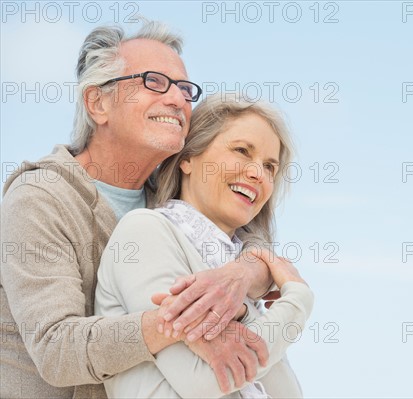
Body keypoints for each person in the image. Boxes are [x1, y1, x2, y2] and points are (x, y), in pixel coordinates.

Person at [0, 21, 274, 398]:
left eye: (184, 89)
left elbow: (251, 249)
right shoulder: (40, 199)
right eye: (154, 82)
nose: (178, 101)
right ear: (98, 103)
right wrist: (182, 323)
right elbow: (57, 349)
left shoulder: (172, 207)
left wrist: (244, 273)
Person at [94, 95, 314, 398]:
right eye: (241, 151)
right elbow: (206, 381)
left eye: (269, 167)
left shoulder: (239, 273)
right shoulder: (144, 232)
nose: (257, 174)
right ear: (188, 157)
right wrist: (298, 302)